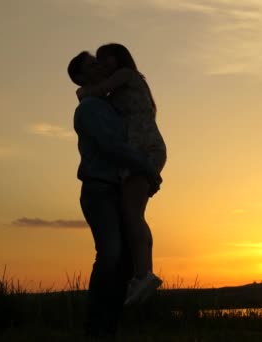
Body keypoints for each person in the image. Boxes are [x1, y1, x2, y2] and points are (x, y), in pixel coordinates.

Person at [67, 51, 161, 338]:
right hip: (99, 190)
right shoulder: (90, 108)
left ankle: (109, 326)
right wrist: (147, 167)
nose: (100, 65)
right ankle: (97, 329)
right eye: (93, 64)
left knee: (123, 258)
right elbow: (112, 146)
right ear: (82, 77)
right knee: (110, 255)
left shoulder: (110, 103)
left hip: (115, 188)